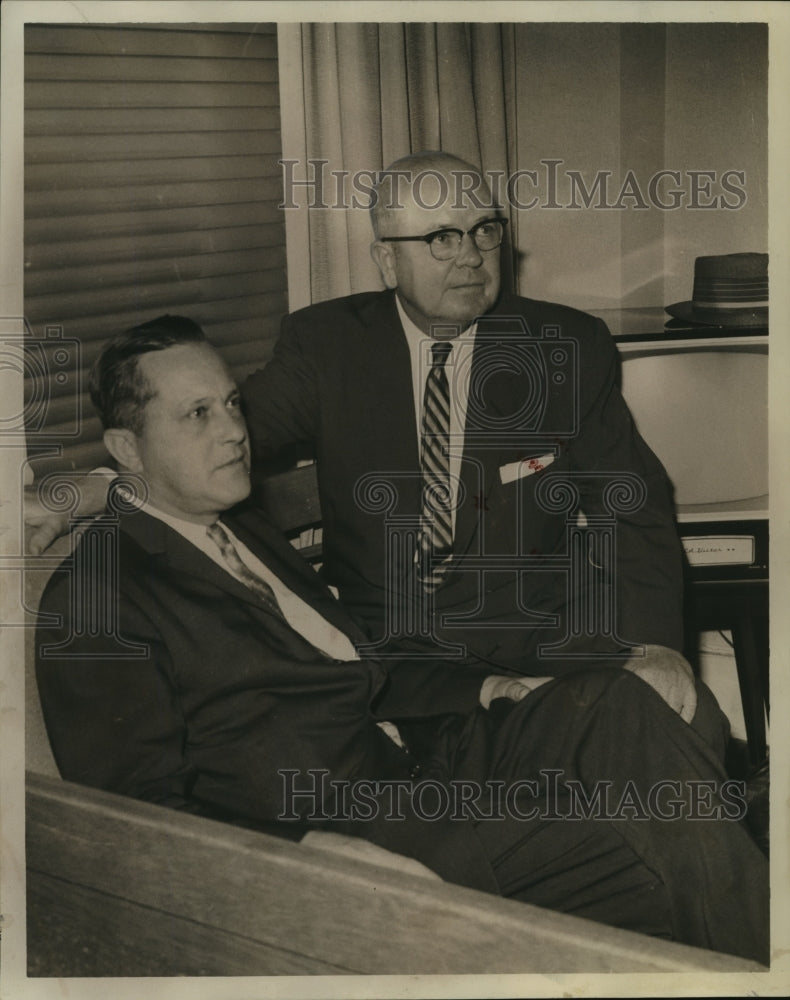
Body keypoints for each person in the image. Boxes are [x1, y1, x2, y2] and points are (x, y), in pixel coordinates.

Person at [35, 317, 769, 963]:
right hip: (346, 833)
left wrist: (483, 687)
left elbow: (354, 664)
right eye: (196, 414)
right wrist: (303, 851)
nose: (233, 429)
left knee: (628, 704)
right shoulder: (98, 596)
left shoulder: (240, 526)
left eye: (230, 402)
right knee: (648, 837)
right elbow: (131, 816)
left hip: (421, 762)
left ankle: (749, 937)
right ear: (126, 450)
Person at [27, 151, 700, 723]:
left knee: (681, 735)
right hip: (396, 664)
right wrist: (89, 490)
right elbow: (217, 440)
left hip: (546, 641)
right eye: (441, 237)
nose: (470, 257)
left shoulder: (565, 347)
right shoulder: (326, 346)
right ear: (386, 260)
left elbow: (631, 502)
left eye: (484, 231)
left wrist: (653, 645)